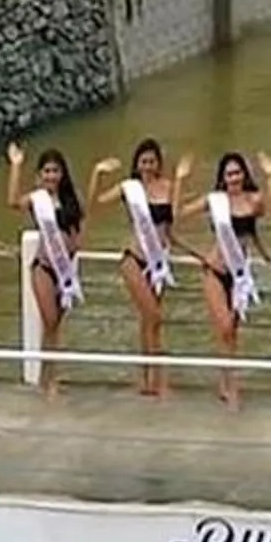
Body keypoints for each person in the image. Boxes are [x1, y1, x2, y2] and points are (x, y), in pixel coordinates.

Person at [94, 138, 185, 400]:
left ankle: (147, 380)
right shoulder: (129, 188)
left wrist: (198, 253)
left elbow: (172, 226)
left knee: (149, 323)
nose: (147, 166)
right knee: (154, 317)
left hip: (159, 262)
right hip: (135, 258)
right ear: (136, 164)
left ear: (159, 163)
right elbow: (97, 203)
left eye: (152, 161)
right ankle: (160, 379)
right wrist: (97, 174)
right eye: (143, 161)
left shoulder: (168, 187)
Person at [187, 150, 271, 409]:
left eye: (238, 173)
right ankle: (231, 387)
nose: (234, 178)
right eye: (229, 174)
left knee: (231, 334)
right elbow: (179, 214)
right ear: (222, 178)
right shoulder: (215, 201)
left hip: (239, 275)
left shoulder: (252, 200)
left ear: (244, 174)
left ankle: (226, 382)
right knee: (225, 327)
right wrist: (199, 252)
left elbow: (270, 213)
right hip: (215, 270)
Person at [8, 142, 89, 398]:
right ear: (40, 174)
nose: (51, 176)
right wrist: (16, 166)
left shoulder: (72, 200)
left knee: (54, 327)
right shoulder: (37, 199)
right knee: (49, 320)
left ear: (62, 173)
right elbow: (12, 202)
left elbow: (81, 227)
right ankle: (49, 378)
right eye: (47, 171)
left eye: (55, 171)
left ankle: (48, 376)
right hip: (44, 267)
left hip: (66, 270)